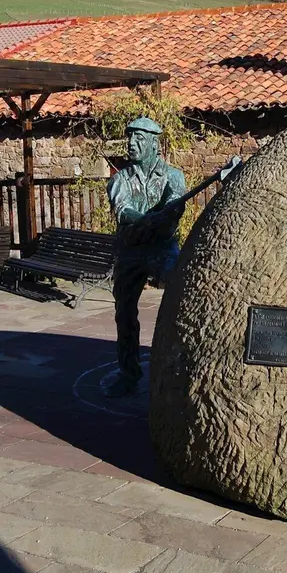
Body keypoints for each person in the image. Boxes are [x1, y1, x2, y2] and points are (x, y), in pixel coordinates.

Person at [104, 117, 187, 398]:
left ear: (154, 144)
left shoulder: (174, 176)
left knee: (182, 295)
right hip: (131, 251)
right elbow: (122, 210)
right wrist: (145, 220)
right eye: (130, 138)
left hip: (162, 247)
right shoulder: (119, 179)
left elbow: (175, 206)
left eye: (138, 138)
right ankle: (128, 373)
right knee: (124, 313)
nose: (131, 144)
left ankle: (179, 367)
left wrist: (168, 213)